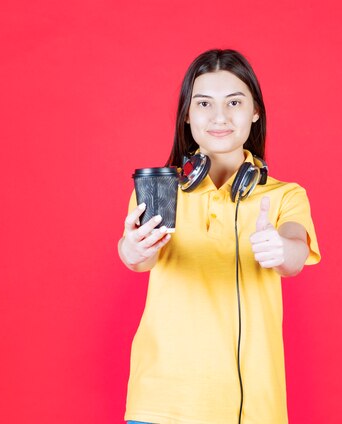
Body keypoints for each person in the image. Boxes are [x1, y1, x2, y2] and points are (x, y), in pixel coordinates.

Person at [118, 49, 321, 424]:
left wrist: (279, 248)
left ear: (255, 111)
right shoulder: (161, 188)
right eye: (204, 103)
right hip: (160, 402)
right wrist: (131, 248)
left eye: (234, 102)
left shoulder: (284, 195)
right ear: (188, 115)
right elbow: (137, 257)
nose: (220, 117)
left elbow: (294, 255)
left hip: (252, 408)